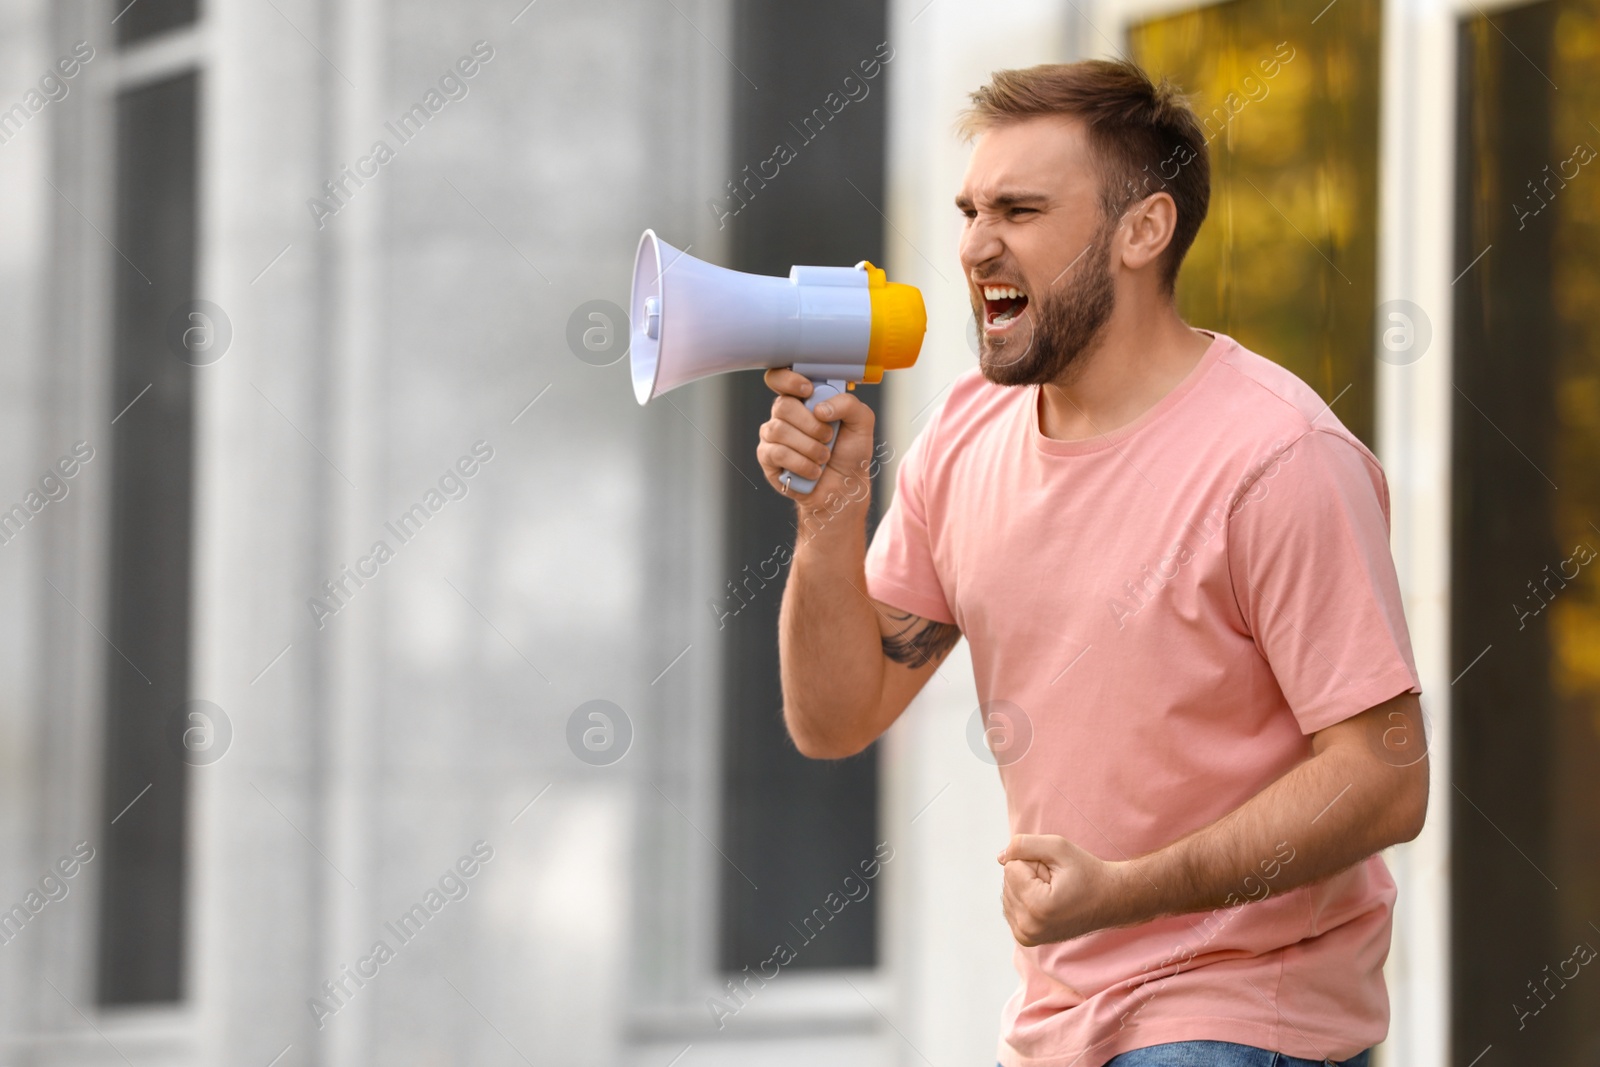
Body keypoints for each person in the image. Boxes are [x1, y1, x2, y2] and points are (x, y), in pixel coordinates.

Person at [754, 59, 1428, 1067]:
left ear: (1142, 231)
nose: (975, 245)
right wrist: (827, 515)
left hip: (1235, 1018)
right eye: (970, 208)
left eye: (1019, 210)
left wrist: (1126, 889)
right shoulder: (963, 436)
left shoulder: (1277, 457)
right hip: (1057, 1023)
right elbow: (834, 714)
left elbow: (1384, 779)